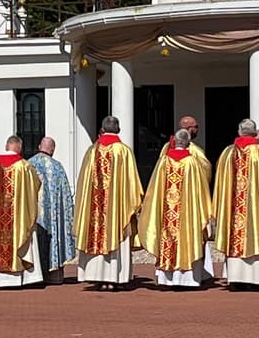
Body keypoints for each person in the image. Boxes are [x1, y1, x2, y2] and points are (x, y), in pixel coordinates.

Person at [73, 118, 143, 289]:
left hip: (94, 211)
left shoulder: (92, 151)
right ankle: (114, 277)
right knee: (115, 233)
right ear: (118, 129)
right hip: (116, 211)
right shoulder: (124, 151)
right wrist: (134, 203)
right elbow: (132, 183)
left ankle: (96, 275)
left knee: (96, 232)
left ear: (102, 129)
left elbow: (83, 182)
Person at [211, 120, 259, 288]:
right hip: (256, 211)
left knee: (235, 237)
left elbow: (220, 184)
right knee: (255, 235)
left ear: (239, 131)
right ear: (255, 133)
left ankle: (236, 279)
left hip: (233, 211)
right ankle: (256, 280)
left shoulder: (227, 153)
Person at [139, 130, 214, 288]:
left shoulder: (163, 161)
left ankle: (168, 279)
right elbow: (200, 191)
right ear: (187, 143)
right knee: (188, 239)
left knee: (168, 239)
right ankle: (188, 280)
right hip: (187, 214)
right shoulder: (192, 162)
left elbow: (155, 190)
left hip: (168, 215)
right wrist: (205, 210)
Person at [0, 136, 45, 288]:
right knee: (22, 235)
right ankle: (23, 278)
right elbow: (35, 186)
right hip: (19, 220)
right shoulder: (24, 167)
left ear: (7, 146)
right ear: (19, 147)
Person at [28, 137, 75, 281]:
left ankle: (34, 275)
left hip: (34, 215)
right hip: (52, 218)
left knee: (35, 242)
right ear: (53, 150)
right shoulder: (57, 167)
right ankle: (53, 275)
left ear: (39, 146)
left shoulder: (28, 164)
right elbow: (66, 197)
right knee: (52, 238)